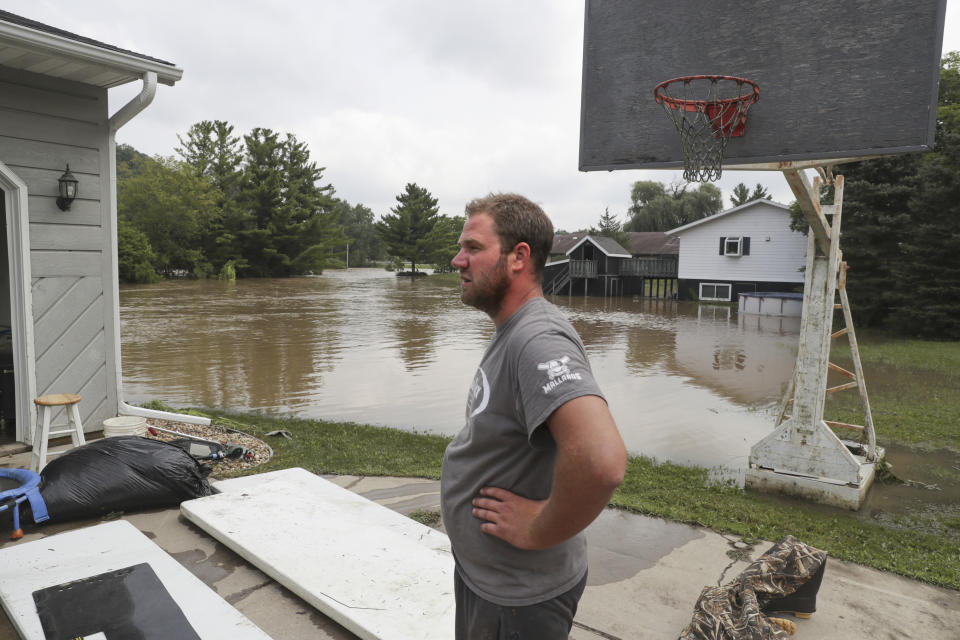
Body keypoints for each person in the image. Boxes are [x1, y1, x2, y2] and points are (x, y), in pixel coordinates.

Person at [440, 193, 627, 639]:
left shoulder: (537, 339)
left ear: (518, 257)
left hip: (519, 600)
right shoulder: (514, 329)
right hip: (490, 582)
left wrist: (538, 530)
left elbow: (602, 462)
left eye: (472, 248)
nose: (457, 260)